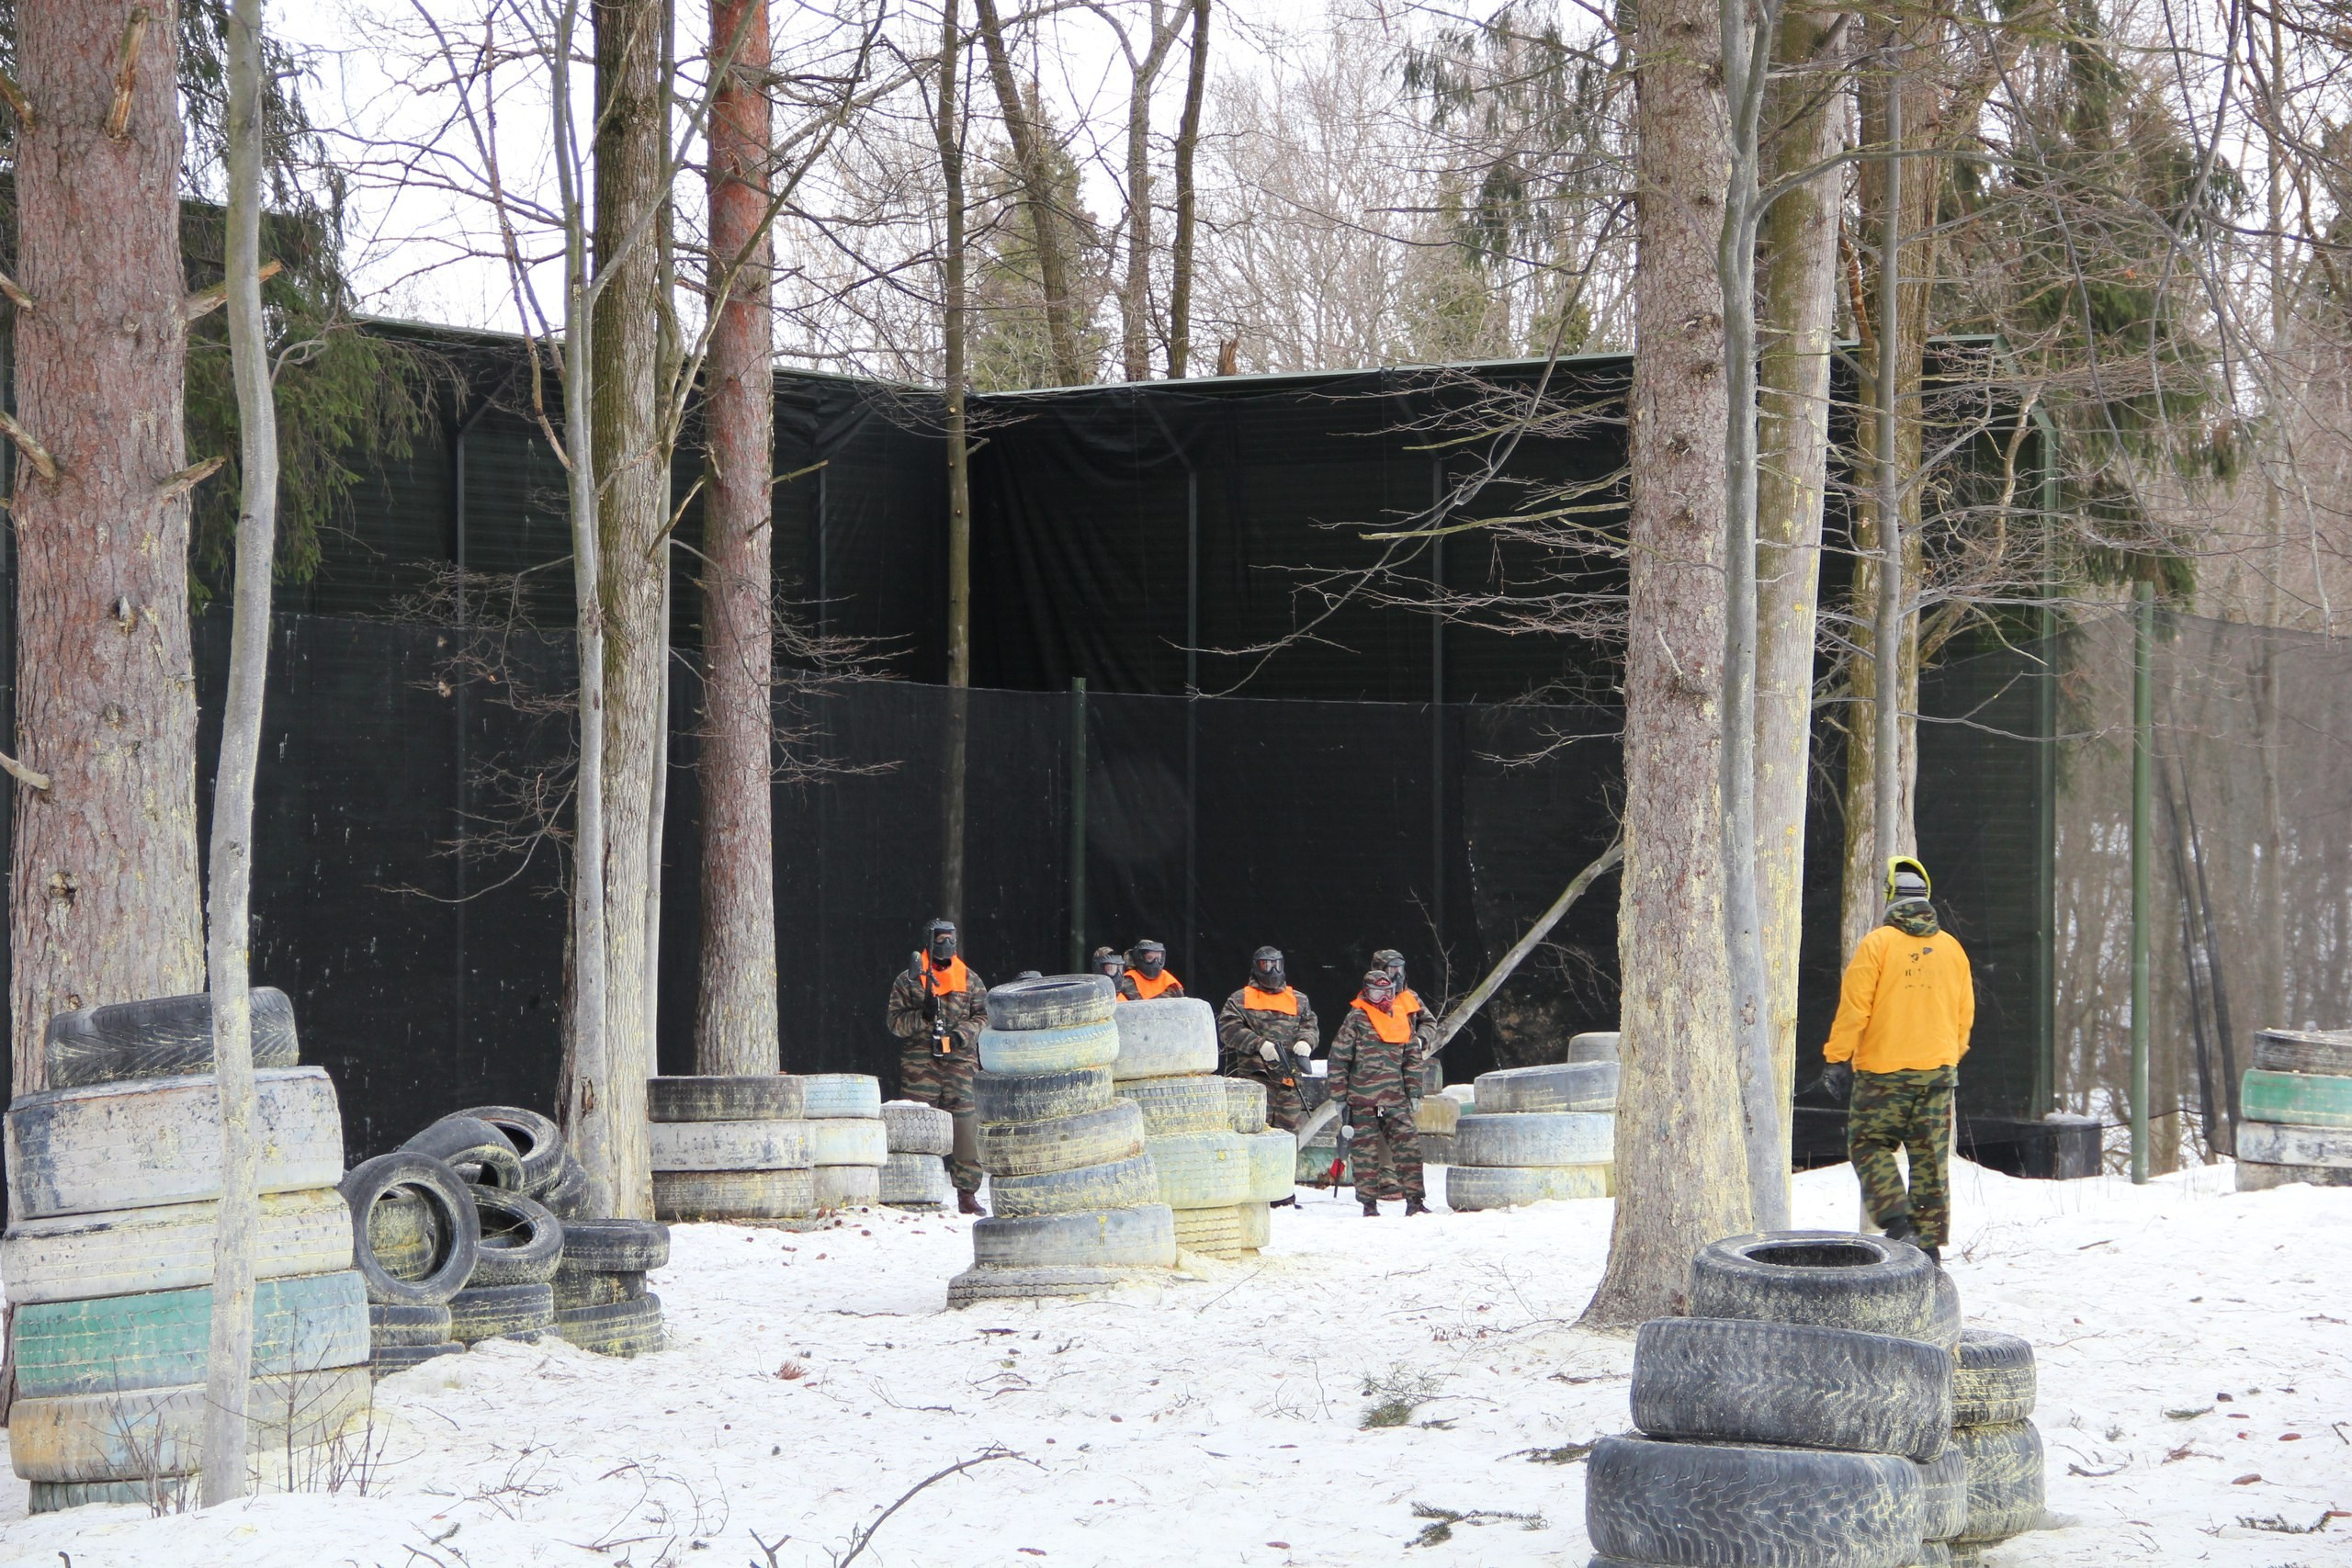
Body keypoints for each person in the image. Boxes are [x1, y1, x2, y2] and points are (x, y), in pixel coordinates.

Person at [1820, 857, 1974, 1264]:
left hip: (1882, 1072)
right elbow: (1965, 1015)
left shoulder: (1877, 944)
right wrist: (1947, 1056)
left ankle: (1897, 1220)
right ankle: (1928, 1245)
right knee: (1929, 1156)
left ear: (1890, 896)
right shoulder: (1952, 949)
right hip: (1938, 1073)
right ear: (1926, 896)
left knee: (1869, 1143)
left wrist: (1837, 1058)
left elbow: (1855, 1007)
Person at [885, 919, 989, 1214]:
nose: (947, 944)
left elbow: (984, 1017)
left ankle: (967, 1195)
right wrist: (923, 1016)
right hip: (921, 1065)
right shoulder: (908, 980)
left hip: (960, 1064)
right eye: (940, 939)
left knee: (967, 1128)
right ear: (929, 941)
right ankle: (915, 1192)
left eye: (951, 938)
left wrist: (960, 1036)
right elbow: (894, 1024)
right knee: (917, 1130)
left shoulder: (969, 979)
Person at [1327, 966, 1429, 1216]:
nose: (1383, 999)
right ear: (1366, 993)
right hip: (1361, 1098)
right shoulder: (1357, 1018)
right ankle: (1368, 1205)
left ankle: (1415, 1201)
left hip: (1396, 1097)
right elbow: (1338, 1058)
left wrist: (1414, 1092)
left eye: (1388, 992)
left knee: (1409, 1147)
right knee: (1365, 1153)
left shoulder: (1401, 1017)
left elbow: (1412, 1059)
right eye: (1376, 993)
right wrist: (1339, 1096)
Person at [1216, 946, 1319, 1133]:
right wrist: (1260, 1044)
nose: (1272, 971)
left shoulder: (1298, 1000)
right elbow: (1228, 1029)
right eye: (1266, 965)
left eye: (1276, 965)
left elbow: (1310, 1025)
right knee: (1253, 1130)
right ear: (1256, 968)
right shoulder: (1240, 999)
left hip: (1289, 1080)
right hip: (1255, 1077)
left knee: (1288, 1135)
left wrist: (1306, 1042)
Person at [1372, 947, 1442, 1077]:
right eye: (1392, 970)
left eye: (1400, 970)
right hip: (1376, 1067)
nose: (1398, 976)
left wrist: (1420, 1040)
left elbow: (1429, 1022)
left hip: (1407, 1066)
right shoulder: (1369, 999)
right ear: (1380, 973)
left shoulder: (1411, 997)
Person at [1120, 939, 1184, 1000]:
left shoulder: (1170, 983)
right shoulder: (1127, 981)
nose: (1155, 963)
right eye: (1150, 958)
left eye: (1158, 958)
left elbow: (1181, 1006)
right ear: (1138, 957)